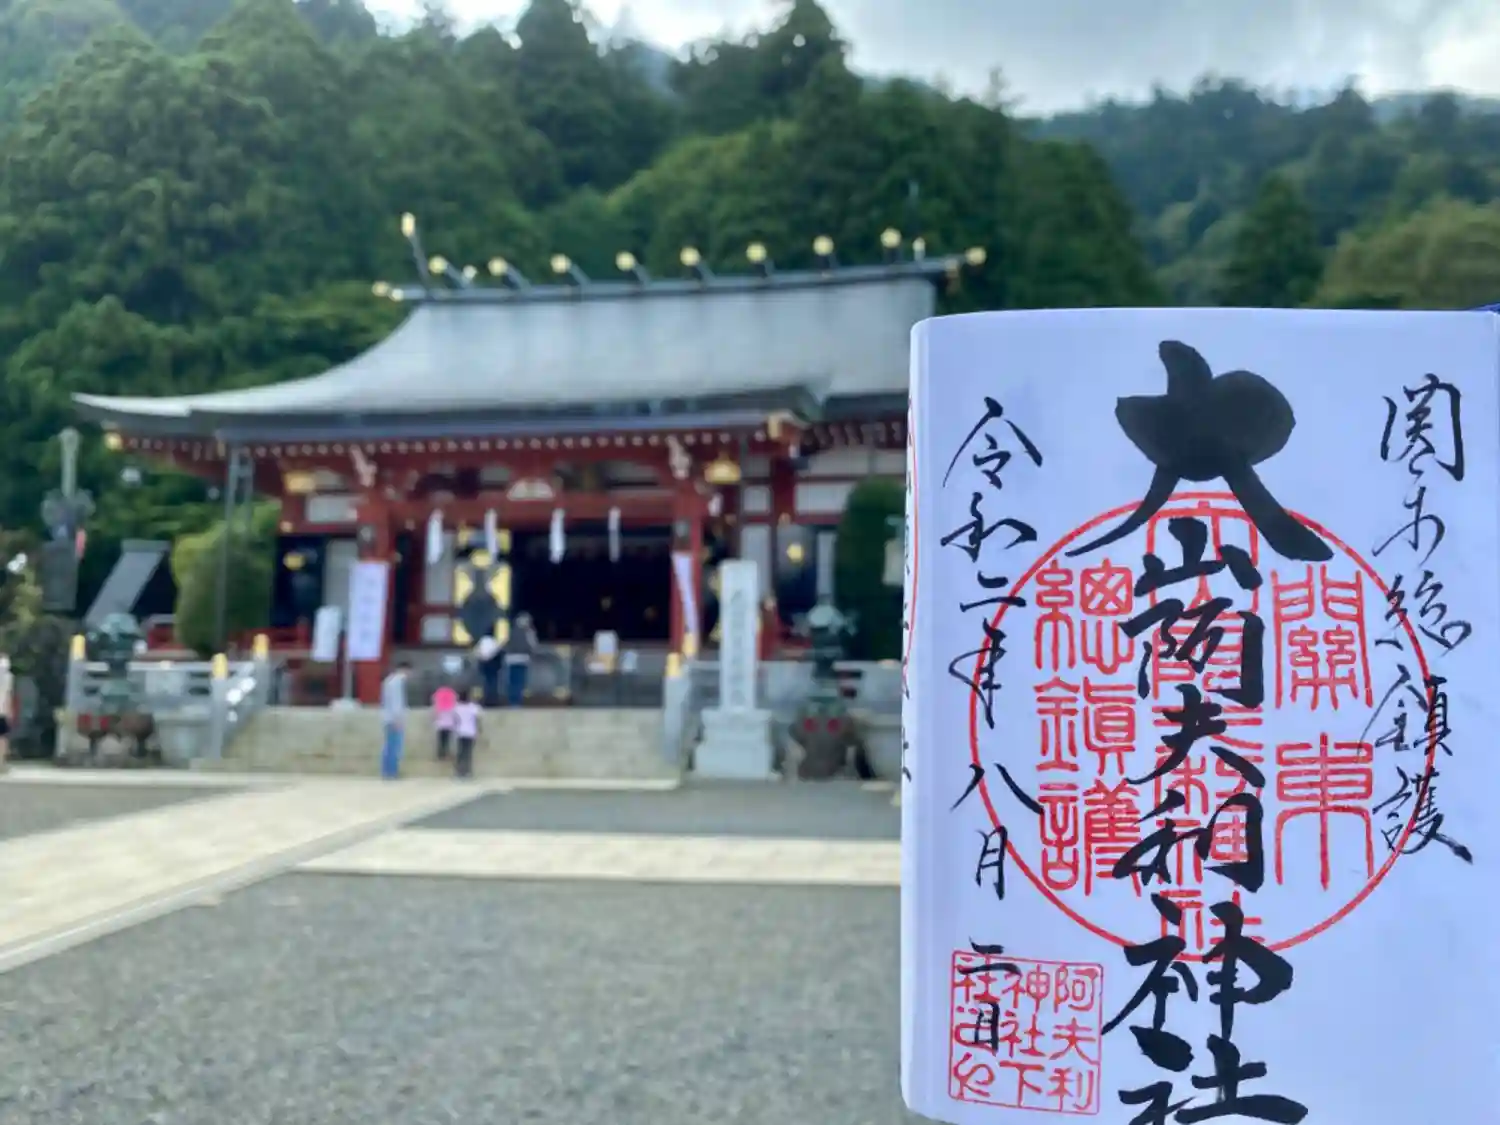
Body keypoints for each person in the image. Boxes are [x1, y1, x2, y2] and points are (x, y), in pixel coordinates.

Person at [379, 660, 410, 779]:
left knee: (389, 746)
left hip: (388, 717)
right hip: (394, 718)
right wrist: (398, 719)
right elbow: (397, 702)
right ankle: (392, 772)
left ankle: (387, 771)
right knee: (394, 747)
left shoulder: (388, 681)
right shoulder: (397, 682)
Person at [502, 613, 539, 707]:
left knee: (512, 682)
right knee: (520, 682)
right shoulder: (529, 632)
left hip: (511, 659)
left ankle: (512, 701)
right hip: (523, 659)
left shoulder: (511, 630)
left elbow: (505, 644)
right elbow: (533, 645)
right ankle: (517, 701)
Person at [452, 687, 482, 779]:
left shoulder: (456, 707)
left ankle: (459, 772)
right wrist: (479, 730)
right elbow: (478, 720)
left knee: (460, 754)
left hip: (460, 732)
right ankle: (467, 772)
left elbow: (455, 720)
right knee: (468, 754)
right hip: (470, 732)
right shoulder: (474, 707)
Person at [431, 681, 457, 759]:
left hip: (441, 719)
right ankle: (446, 753)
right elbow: (454, 704)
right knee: (448, 738)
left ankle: (441, 754)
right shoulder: (452, 692)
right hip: (449, 719)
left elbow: (435, 704)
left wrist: (435, 716)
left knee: (441, 738)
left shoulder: (438, 692)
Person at [0, 654, 12, 769]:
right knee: (3, 737)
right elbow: (8, 695)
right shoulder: (8, 677)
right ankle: (1, 762)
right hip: (2, 711)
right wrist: (9, 712)